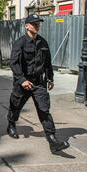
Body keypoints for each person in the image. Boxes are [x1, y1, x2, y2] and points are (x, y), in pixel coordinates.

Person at [7, 14, 70, 154]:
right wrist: (22, 80)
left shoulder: (43, 43)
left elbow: (47, 63)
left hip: (38, 83)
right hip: (22, 82)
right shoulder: (20, 42)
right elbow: (14, 63)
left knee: (44, 110)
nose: (37, 26)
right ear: (27, 26)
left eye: (38, 24)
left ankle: (52, 139)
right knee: (16, 105)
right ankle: (11, 124)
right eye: (34, 24)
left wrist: (50, 78)